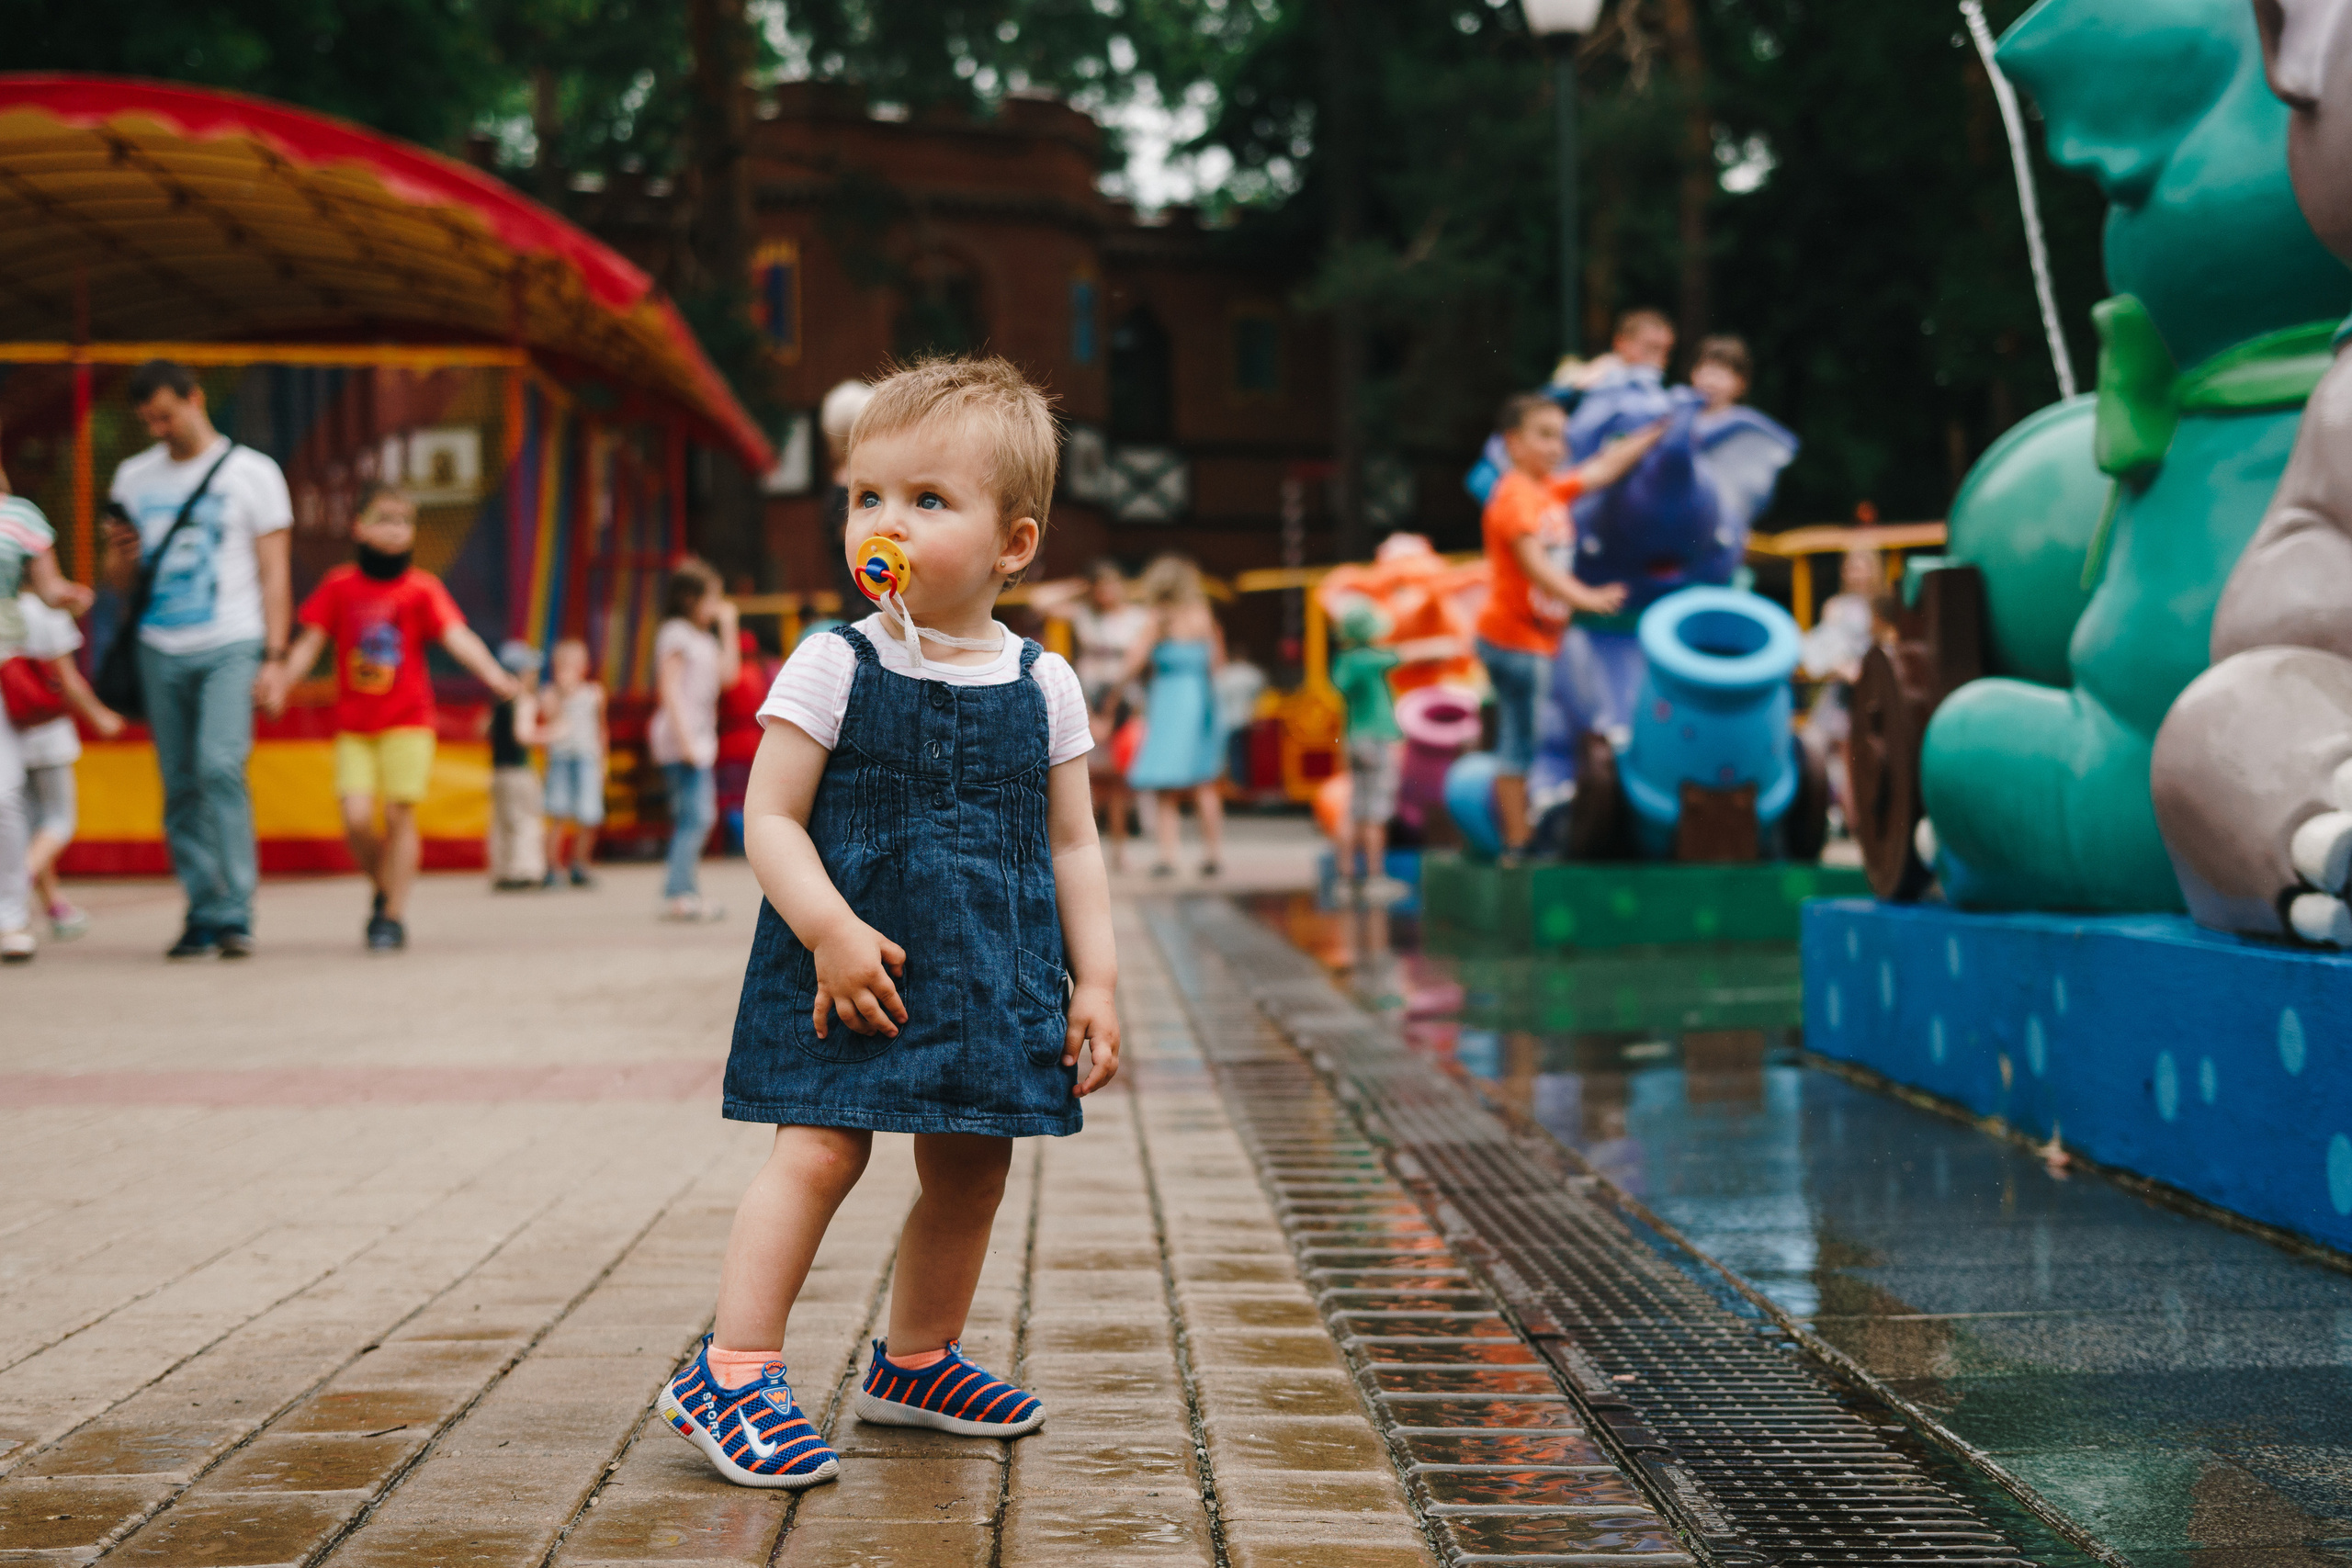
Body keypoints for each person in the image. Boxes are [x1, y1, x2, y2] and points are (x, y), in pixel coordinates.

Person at [659, 355, 1117, 1490]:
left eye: (926, 501)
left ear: (1012, 545)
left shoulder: (1043, 682)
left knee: (971, 1167)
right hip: (846, 960)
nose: (885, 525)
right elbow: (768, 817)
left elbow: (1073, 843)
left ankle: (916, 1360)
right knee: (820, 1148)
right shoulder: (833, 662)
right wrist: (826, 927)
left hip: (991, 970)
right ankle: (732, 1368)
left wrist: (1095, 981)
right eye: (866, 497)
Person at [101, 360, 294, 960]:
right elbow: (118, 582)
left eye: (165, 413)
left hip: (232, 640)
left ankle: (235, 908)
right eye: (147, 420)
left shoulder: (253, 473)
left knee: (218, 766)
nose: (158, 427)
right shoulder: (133, 476)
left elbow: (274, 570)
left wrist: (277, 655)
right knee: (180, 782)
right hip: (159, 644)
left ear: (194, 398)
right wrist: (121, 556)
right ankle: (202, 907)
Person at [273, 483, 520, 951]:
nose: (394, 529)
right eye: (384, 519)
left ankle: (391, 916)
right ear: (359, 527)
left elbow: (457, 635)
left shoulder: (422, 588)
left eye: (404, 522)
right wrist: (281, 681)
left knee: (398, 814)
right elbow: (309, 643)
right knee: (357, 818)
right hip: (355, 727)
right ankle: (385, 885)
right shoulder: (339, 585)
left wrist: (494, 674)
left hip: (408, 721)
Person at [1476, 392, 1663, 863]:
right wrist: (1587, 598)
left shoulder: (1547, 491)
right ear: (1513, 443)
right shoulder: (1515, 496)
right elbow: (1533, 564)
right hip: (1513, 639)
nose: (1556, 447)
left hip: (1537, 639)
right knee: (1519, 740)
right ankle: (1516, 844)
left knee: (1532, 734)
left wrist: (1657, 431)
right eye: (1544, 436)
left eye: (1561, 437)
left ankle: (1528, 831)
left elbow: (1601, 470)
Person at [2, 488, 96, 963]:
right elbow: (69, 679)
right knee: (47, 815)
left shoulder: (21, 517)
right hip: (40, 723)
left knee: (10, 803)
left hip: (8, 691)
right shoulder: (46, 611)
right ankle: (16, 900)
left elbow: (51, 588)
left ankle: (26, 912)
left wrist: (66, 596)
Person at [17, 590, 127, 941]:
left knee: (30, 826)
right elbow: (68, 679)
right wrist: (100, 716)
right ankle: (14, 884)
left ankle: (54, 906)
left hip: (10, 735)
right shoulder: (47, 612)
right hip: (47, 735)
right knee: (59, 822)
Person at [1030, 560, 1148, 869]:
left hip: (1122, 701)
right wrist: (1080, 583)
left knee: (1119, 779)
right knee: (1089, 778)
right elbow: (1038, 600)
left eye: (1111, 586)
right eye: (1101, 587)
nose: (1106, 593)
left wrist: (1109, 709)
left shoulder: (1137, 618)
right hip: (1086, 696)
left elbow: (1135, 662)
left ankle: (1119, 850)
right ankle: (1085, 849)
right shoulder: (1085, 615)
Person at [1118, 555, 1227, 878]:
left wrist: (1116, 690)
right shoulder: (1203, 615)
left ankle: (1168, 856)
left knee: (1166, 785)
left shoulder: (1160, 619)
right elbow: (1217, 663)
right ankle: (1213, 854)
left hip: (1169, 700)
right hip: (1201, 697)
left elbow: (1134, 660)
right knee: (1204, 780)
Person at [651, 557, 740, 921]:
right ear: (691, 599)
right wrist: (685, 739)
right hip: (681, 738)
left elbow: (729, 677)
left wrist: (729, 628)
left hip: (699, 740)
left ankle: (684, 889)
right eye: (711, 598)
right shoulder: (675, 632)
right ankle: (679, 893)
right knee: (695, 818)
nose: (716, 605)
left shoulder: (702, 638)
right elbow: (669, 689)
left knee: (696, 817)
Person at [540, 637, 606, 887]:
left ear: (584, 666)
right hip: (561, 758)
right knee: (558, 812)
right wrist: (561, 695)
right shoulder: (550, 693)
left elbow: (601, 729)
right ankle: (552, 867)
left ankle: (580, 864)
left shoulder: (594, 693)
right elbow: (549, 718)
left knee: (589, 814)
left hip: (587, 757)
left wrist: (602, 761)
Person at [487, 640, 548, 892]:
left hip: (499, 770)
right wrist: (554, 733)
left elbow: (484, 729)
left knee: (502, 823)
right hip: (519, 770)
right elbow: (523, 734)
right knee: (525, 820)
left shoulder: (499, 701)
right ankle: (525, 870)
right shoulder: (524, 699)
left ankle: (503, 869)